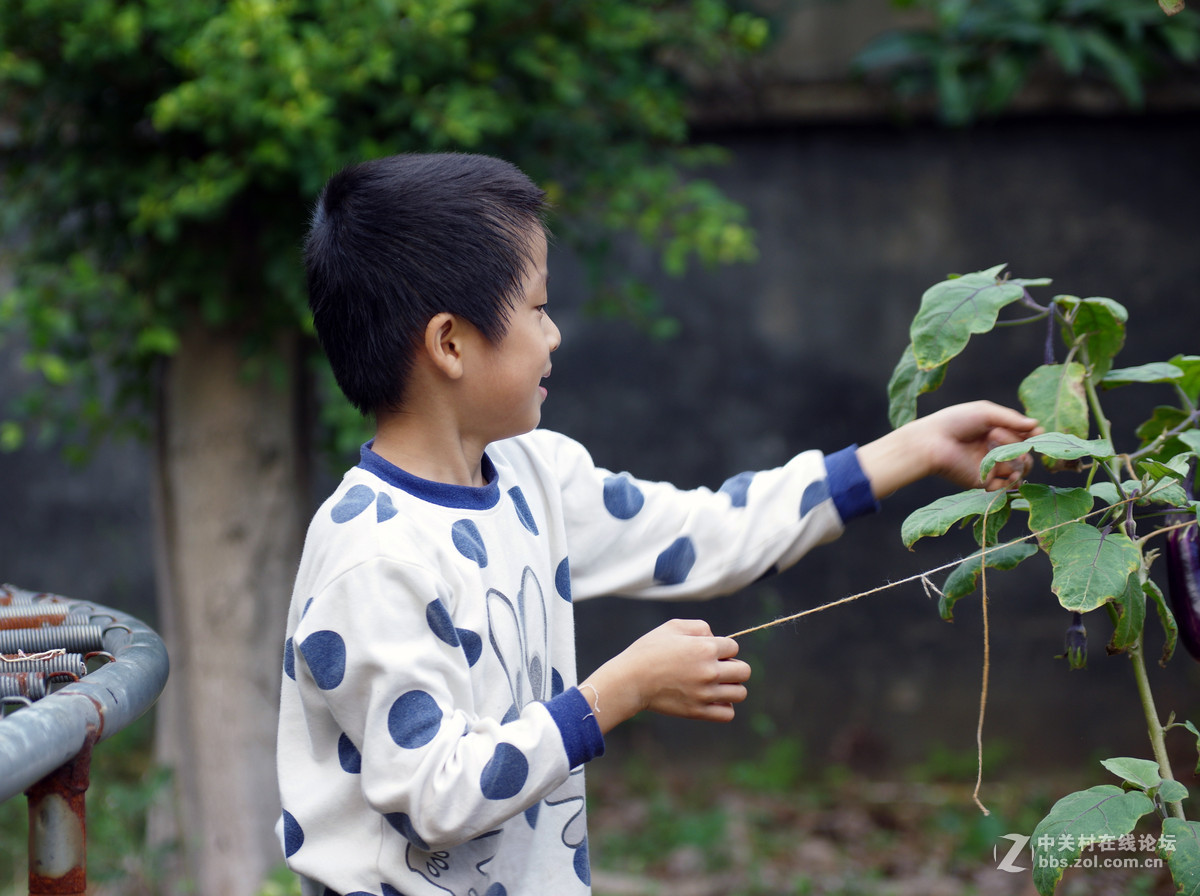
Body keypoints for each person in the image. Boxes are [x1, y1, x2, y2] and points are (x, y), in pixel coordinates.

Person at [275, 152, 1040, 896]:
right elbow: (436, 794)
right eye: (538, 309)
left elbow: (708, 534)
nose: (555, 334)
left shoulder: (535, 474)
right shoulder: (372, 558)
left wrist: (914, 447)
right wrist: (621, 690)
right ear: (450, 344)